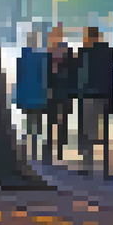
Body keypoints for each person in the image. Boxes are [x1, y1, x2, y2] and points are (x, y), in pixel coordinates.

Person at [76, 26, 113, 177]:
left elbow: (79, 75)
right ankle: (105, 169)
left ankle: (87, 166)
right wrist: (111, 102)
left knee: (86, 132)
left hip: (87, 96)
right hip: (103, 95)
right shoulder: (107, 52)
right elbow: (110, 76)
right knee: (100, 134)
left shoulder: (83, 52)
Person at [13, 32, 52, 164]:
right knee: (37, 126)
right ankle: (34, 152)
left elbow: (19, 80)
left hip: (27, 98)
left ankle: (28, 149)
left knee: (30, 124)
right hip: (39, 97)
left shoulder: (21, 59)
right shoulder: (41, 58)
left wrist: (18, 99)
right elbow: (45, 78)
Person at [46, 26, 78, 164]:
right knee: (61, 120)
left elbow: (47, 74)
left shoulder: (51, 53)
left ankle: (53, 148)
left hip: (55, 91)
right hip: (64, 91)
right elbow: (74, 72)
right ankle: (58, 149)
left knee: (53, 120)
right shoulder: (68, 52)